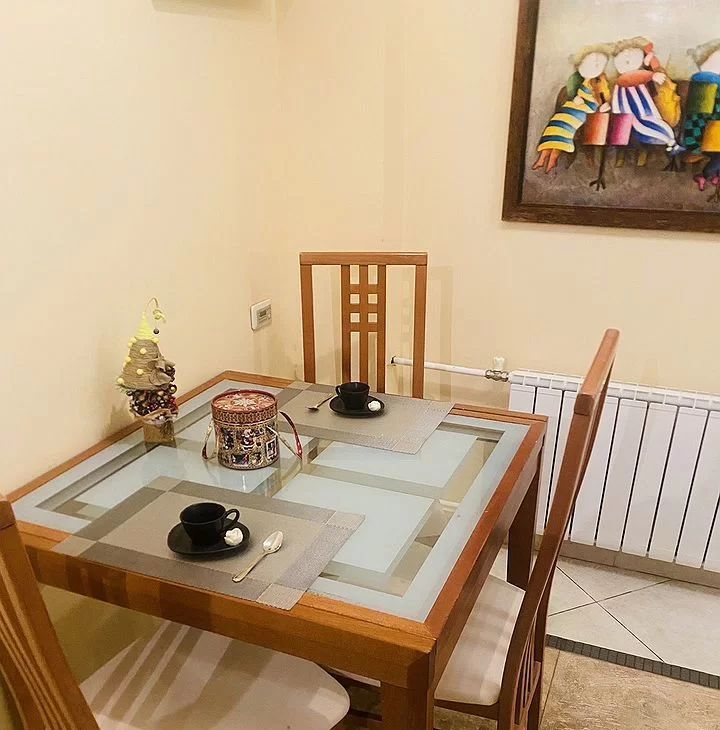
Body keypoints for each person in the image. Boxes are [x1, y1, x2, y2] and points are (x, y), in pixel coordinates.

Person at [533, 47, 612, 173]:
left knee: (565, 129)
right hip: (573, 106)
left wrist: (603, 106)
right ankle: (542, 159)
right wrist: (576, 98)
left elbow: (604, 96)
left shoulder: (600, 80)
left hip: (587, 109)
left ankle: (552, 160)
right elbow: (573, 92)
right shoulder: (579, 79)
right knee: (555, 123)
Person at [611, 38, 683, 155]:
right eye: (623, 55)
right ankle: (669, 142)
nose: (627, 56)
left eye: (632, 54)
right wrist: (651, 75)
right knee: (641, 127)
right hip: (630, 114)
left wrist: (647, 63)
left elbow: (638, 73)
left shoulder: (637, 74)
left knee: (654, 123)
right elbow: (632, 77)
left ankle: (670, 142)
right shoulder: (624, 79)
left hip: (644, 108)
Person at [683, 40, 720, 191]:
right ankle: (705, 175)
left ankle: (713, 175)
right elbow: (712, 115)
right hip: (703, 138)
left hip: (702, 137)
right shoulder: (711, 86)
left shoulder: (700, 85)